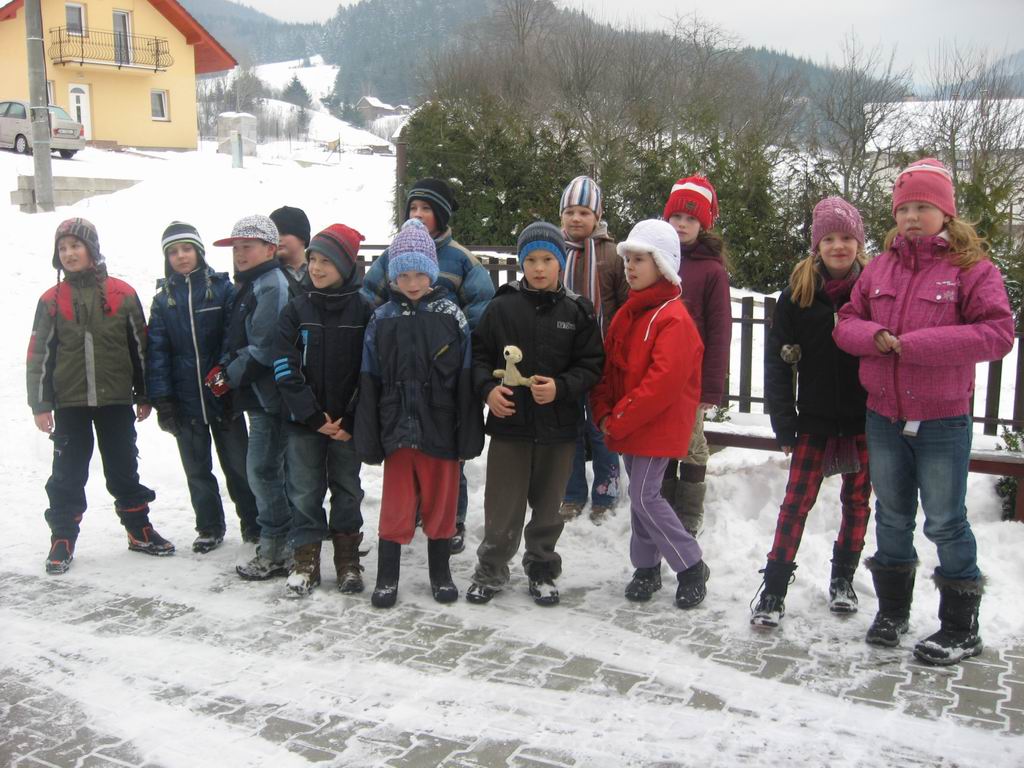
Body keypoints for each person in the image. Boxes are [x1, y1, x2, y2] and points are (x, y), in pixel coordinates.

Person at [835, 158, 1014, 665]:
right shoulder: (879, 268)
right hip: (884, 416)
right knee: (892, 517)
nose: (912, 217)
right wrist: (873, 335)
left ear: (945, 213)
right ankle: (893, 613)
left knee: (945, 521)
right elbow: (846, 321)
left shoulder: (972, 269)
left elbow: (997, 333)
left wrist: (918, 345)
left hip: (941, 420)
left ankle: (960, 628)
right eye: (904, 209)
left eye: (923, 207)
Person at [465, 222, 604, 606]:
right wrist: (488, 390)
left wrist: (561, 387)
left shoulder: (577, 310)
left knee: (548, 508)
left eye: (547, 260)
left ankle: (542, 567)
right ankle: (491, 569)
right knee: (502, 506)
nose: (539, 268)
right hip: (510, 426)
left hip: (559, 429)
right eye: (530, 260)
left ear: (561, 263)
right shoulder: (502, 306)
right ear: (521, 263)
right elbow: (479, 356)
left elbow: (592, 364)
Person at [28, 218, 173, 573]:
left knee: (124, 468)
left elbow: (140, 348)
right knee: (67, 474)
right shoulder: (51, 300)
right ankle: (62, 538)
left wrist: (144, 394)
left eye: (75, 246)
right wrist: (40, 404)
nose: (69, 253)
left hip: (116, 402)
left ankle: (138, 529)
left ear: (91, 249)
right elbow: (39, 355)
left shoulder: (122, 294)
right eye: (62, 248)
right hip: (70, 404)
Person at [752, 197, 871, 628]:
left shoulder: (873, 290)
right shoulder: (798, 295)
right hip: (814, 421)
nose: (839, 246)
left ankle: (843, 580)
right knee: (795, 504)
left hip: (864, 420)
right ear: (816, 245)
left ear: (859, 243)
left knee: (857, 503)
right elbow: (778, 363)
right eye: (829, 238)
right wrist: (785, 423)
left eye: (847, 238)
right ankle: (773, 589)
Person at [360, 178, 494, 553]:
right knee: (407, 451)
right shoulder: (393, 255)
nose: (418, 215)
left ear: (442, 215)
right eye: (413, 208)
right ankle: (415, 514)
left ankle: (453, 520)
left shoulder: (461, 258)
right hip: (402, 368)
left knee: (447, 458)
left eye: (426, 209)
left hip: (443, 371)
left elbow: (481, 305)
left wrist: (454, 338)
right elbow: (369, 296)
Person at [590, 219, 710, 609]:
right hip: (629, 422)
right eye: (628, 259)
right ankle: (646, 567)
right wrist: (604, 410)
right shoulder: (631, 312)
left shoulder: (674, 318)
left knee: (644, 496)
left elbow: (662, 383)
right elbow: (611, 369)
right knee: (642, 499)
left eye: (639, 259)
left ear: (663, 265)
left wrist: (619, 418)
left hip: (656, 424)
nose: (630, 267)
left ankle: (691, 565)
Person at [147, 221, 260, 554]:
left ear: (198, 251)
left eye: (187, 249)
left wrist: (225, 382)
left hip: (222, 395)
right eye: (173, 252)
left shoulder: (222, 289)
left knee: (239, 465)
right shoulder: (163, 300)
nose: (181, 256)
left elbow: (233, 339)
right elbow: (157, 353)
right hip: (185, 401)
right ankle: (209, 526)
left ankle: (253, 523)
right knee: (197, 469)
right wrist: (163, 400)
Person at [274, 224, 371, 597]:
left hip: (346, 425)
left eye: (326, 261)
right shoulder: (296, 309)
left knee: (347, 489)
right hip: (305, 423)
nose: (316, 267)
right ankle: (306, 560)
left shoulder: (365, 311)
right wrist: (311, 415)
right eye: (313, 259)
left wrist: (351, 416)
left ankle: (347, 560)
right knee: (303, 490)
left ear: (345, 265)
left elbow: (370, 370)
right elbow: (283, 365)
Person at [206, 215, 293, 581]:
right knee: (267, 470)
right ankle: (281, 543)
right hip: (258, 395)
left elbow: (265, 347)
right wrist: (225, 366)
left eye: (248, 247)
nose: (239, 254)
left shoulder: (271, 285)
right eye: (236, 248)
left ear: (270, 249)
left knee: (263, 471)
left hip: (270, 397)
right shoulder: (254, 282)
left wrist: (228, 375)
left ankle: (277, 549)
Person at [660, 175, 732, 537]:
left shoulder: (711, 270)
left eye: (691, 218)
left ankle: (688, 512)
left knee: (689, 442)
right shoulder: (658, 260)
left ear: (703, 225)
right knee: (661, 440)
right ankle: (662, 502)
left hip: (692, 376)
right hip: (658, 372)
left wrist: (711, 386)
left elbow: (720, 330)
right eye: (676, 217)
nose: (682, 224)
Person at [557, 175, 628, 524]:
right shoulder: (554, 251)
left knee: (601, 427)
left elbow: (626, 306)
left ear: (597, 217)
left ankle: (606, 488)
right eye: (570, 211)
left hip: (602, 358)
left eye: (584, 212)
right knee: (569, 428)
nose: (576, 218)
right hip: (563, 360)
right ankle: (572, 492)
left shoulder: (612, 255)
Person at [270, 205, 312, 297]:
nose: (278, 239)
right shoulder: (266, 275)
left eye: (283, 233)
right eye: (274, 235)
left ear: (302, 237)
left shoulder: (321, 270)